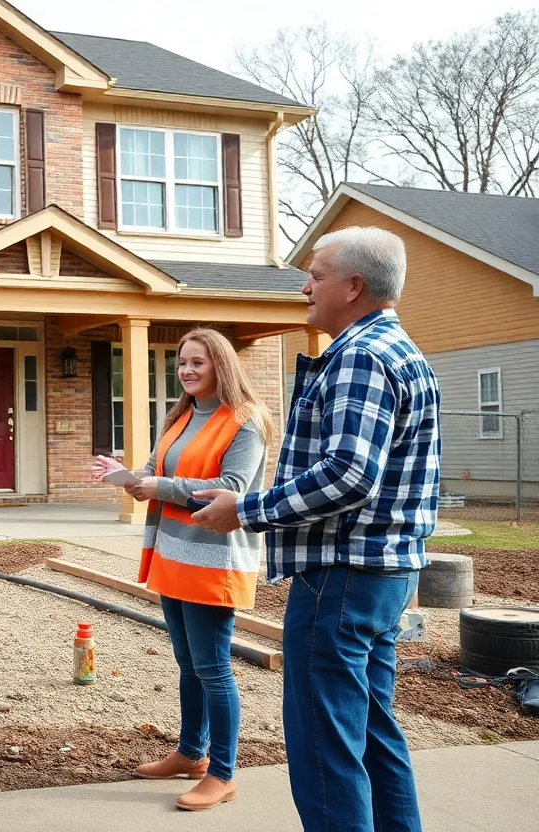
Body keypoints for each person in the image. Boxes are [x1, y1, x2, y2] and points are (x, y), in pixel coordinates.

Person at [193, 226, 440, 832]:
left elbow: (350, 475)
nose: (305, 285)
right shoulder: (402, 350)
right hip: (383, 575)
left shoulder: (360, 355)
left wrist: (244, 510)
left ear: (354, 286)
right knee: (372, 729)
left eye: (316, 274)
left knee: (323, 743)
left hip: (342, 577)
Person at [94, 328, 271, 811]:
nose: (187, 370)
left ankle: (222, 772)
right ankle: (191, 753)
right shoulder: (182, 414)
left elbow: (230, 485)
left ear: (222, 367)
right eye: (182, 362)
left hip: (213, 558)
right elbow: (156, 469)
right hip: (174, 553)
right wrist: (129, 477)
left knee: (214, 670)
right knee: (188, 664)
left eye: (198, 362)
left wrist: (160, 485)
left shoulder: (245, 421)